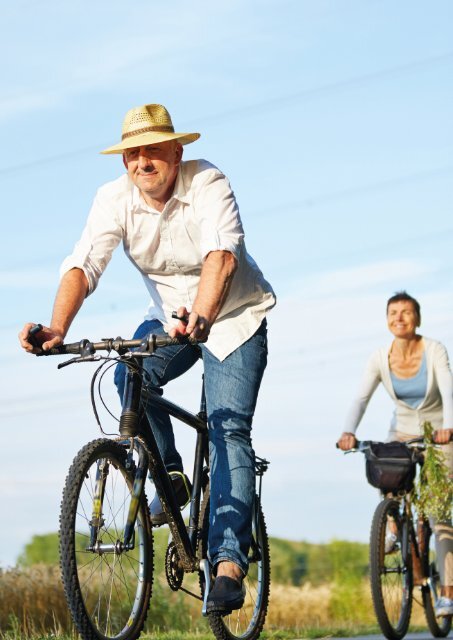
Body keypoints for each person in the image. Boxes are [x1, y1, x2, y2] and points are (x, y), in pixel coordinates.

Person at [19, 103, 276, 614]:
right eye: (133, 153)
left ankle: (227, 564)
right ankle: (172, 476)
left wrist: (203, 316)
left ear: (177, 152)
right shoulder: (113, 200)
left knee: (227, 429)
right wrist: (57, 328)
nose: (143, 161)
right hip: (169, 320)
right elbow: (84, 263)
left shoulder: (208, 183)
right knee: (127, 374)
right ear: (124, 162)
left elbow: (221, 256)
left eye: (154, 149)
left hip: (233, 318)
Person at [337, 291, 453, 617]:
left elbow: (448, 389)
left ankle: (447, 591)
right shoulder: (379, 357)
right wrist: (348, 432)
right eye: (393, 312)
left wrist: (448, 427)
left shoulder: (435, 350)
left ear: (417, 318)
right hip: (402, 431)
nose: (399, 317)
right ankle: (392, 526)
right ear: (387, 319)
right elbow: (361, 398)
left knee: (437, 511)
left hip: (439, 433)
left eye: (406, 312)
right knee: (386, 471)